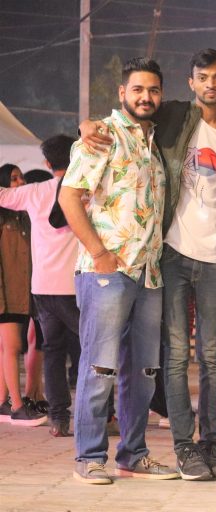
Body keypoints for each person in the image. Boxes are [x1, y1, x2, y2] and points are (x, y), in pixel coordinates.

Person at [81, 48, 216, 481]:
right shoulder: (174, 116)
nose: (211, 84)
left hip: (206, 259)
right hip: (170, 255)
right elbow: (125, 114)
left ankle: (206, 443)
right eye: (202, 77)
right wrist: (87, 125)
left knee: (203, 358)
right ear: (191, 82)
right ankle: (179, 448)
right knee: (168, 356)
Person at [59, 57, 178, 484]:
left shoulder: (154, 141)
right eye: (138, 90)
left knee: (143, 373)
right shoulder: (103, 136)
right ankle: (89, 457)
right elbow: (69, 197)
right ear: (122, 93)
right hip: (107, 271)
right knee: (100, 368)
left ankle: (133, 454)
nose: (146, 97)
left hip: (149, 275)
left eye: (153, 90)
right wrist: (99, 253)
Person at [0, 135, 82, 436]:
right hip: (75, 287)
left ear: (47, 163)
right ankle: (97, 415)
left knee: (53, 351)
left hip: (42, 288)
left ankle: (59, 419)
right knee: (87, 351)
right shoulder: (84, 189)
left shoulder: (34, 192)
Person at [0, 164, 46, 427]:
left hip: (21, 294)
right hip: (5, 295)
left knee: (6, 348)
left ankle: (4, 401)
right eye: (13, 179)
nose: (19, 183)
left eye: (21, 178)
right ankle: (17, 406)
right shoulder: (3, 218)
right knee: (13, 347)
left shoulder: (24, 217)